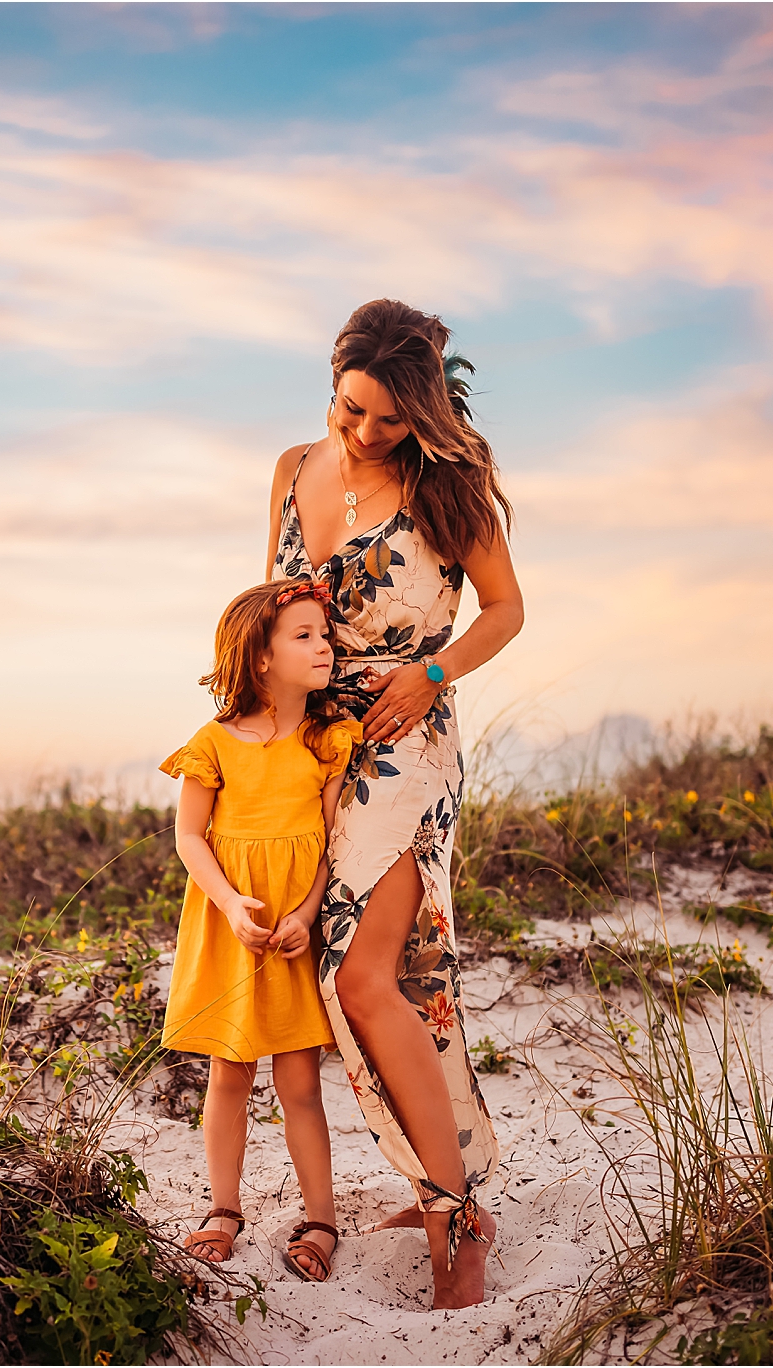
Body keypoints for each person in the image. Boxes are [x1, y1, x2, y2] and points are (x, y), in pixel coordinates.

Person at [265, 299, 524, 1309]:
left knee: (361, 976)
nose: (363, 434)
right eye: (349, 409)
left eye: (384, 417)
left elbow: (506, 608)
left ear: (421, 410)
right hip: (308, 751)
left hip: (403, 744)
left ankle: (455, 1222)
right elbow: (268, 606)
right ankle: (441, 1183)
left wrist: (434, 672)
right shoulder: (292, 469)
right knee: (376, 983)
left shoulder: (446, 488)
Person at [159, 579, 364, 1283]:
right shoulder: (213, 742)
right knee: (229, 1071)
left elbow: (332, 842)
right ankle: (224, 1208)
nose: (323, 647)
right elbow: (189, 836)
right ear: (260, 657)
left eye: (325, 635)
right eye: (303, 635)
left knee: (300, 1079)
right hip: (232, 923)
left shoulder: (328, 739)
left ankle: (322, 1218)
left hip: (294, 926)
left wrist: (307, 914)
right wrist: (229, 903)